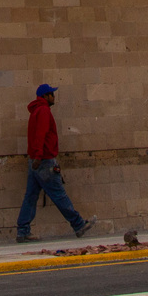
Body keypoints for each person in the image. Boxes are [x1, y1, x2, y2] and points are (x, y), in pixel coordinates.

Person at [17, 83, 93, 242]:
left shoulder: (36, 111)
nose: (54, 96)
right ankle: (78, 224)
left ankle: (23, 231)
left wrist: (35, 157)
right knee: (58, 194)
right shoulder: (44, 111)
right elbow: (41, 134)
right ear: (45, 96)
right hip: (44, 161)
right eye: (52, 93)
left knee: (30, 197)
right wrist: (39, 156)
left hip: (36, 161)